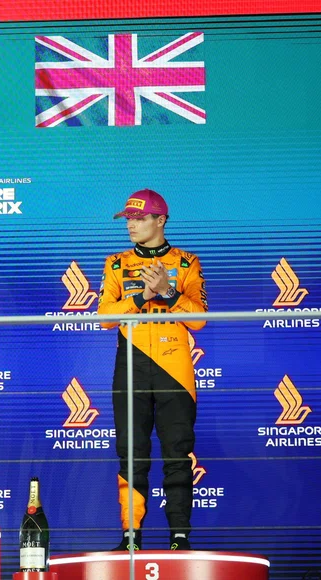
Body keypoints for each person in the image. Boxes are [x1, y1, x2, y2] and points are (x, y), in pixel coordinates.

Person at [97, 189, 208, 551]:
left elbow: (199, 320)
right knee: (131, 453)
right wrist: (143, 295)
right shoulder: (116, 263)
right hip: (131, 366)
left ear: (160, 220)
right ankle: (131, 538)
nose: (131, 225)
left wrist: (168, 292)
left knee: (178, 453)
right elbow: (104, 319)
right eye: (128, 218)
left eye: (139, 218)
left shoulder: (187, 263)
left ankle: (180, 538)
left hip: (175, 367)